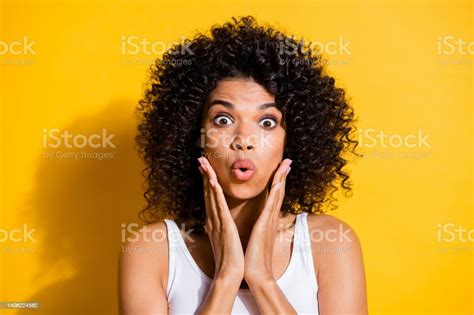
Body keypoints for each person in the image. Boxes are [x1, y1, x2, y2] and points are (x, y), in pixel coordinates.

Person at [119, 15, 368, 314]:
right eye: (223, 119)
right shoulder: (153, 249)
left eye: (267, 122)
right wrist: (226, 277)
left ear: (292, 140)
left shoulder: (330, 242)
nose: (244, 140)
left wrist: (261, 278)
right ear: (193, 135)